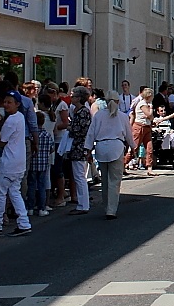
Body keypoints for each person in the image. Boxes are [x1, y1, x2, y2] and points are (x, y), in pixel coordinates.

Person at [0, 90, 31, 236]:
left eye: (10, 102)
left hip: (9, 162)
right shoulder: (20, 117)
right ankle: (23, 222)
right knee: (15, 192)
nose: (6, 104)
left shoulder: (11, 120)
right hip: (19, 161)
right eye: (5, 102)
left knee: (0, 192)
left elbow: (1, 141)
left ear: (17, 104)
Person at [84, 90, 134, 220]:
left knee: (105, 180)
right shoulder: (122, 116)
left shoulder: (99, 115)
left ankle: (107, 207)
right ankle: (111, 209)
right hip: (116, 148)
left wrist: (88, 150)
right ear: (117, 102)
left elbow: (91, 133)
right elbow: (129, 134)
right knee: (114, 181)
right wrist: (133, 148)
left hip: (101, 148)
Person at [66, 86, 93, 215]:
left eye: (73, 96)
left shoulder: (83, 112)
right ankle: (82, 204)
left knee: (79, 176)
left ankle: (83, 205)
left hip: (79, 146)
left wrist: (70, 128)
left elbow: (81, 130)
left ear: (79, 98)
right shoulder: (80, 111)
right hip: (78, 146)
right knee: (79, 176)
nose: (71, 98)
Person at [26, 110, 53, 217]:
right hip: (43, 163)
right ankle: (42, 207)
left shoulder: (32, 135)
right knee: (42, 185)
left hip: (33, 162)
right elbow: (51, 148)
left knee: (31, 185)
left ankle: (30, 208)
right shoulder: (47, 135)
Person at [129, 87, 156, 176]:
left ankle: (149, 168)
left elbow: (150, 117)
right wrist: (151, 109)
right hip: (139, 127)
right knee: (134, 147)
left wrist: (150, 116)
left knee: (149, 148)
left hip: (147, 127)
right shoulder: (142, 104)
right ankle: (123, 164)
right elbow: (149, 115)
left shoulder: (147, 103)